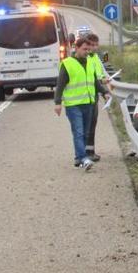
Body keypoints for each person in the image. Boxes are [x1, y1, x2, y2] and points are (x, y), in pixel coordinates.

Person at [53, 36, 98, 171]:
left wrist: (104, 92)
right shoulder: (68, 64)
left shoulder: (90, 62)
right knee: (78, 132)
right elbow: (60, 85)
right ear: (76, 48)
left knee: (85, 132)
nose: (87, 52)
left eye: (88, 50)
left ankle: (78, 158)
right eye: (84, 49)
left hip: (88, 103)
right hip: (73, 105)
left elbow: (95, 81)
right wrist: (57, 102)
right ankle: (84, 158)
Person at [83, 32, 112, 161]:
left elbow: (98, 75)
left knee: (92, 124)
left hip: (94, 94)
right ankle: (85, 153)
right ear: (87, 45)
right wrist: (103, 87)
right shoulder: (86, 58)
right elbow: (91, 78)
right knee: (86, 125)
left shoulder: (95, 57)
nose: (94, 48)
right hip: (86, 95)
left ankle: (90, 151)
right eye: (92, 45)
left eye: (96, 45)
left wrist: (103, 79)